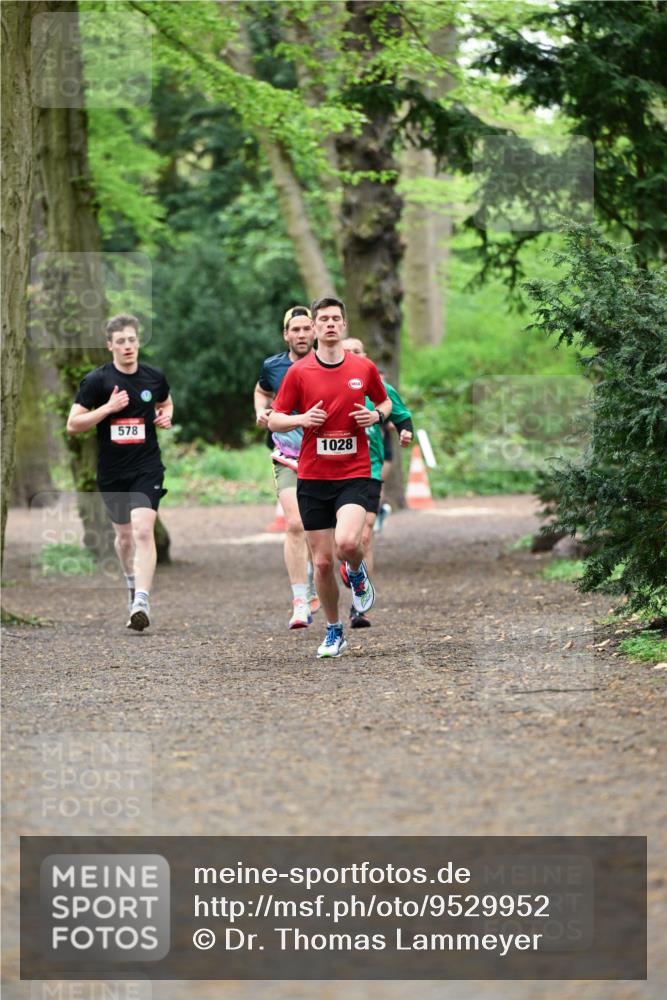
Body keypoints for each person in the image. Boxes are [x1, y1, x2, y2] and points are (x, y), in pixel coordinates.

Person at [268, 297, 392, 658]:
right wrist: (301, 420)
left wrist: (377, 417)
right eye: (323, 320)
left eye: (336, 318)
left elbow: (384, 403)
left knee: (349, 543)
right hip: (313, 476)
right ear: (316, 326)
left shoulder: (363, 367)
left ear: (344, 324)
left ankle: (356, 572)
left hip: (354, 472)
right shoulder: (299, 372)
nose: (330, 325)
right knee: (321, 562)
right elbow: (275, 418)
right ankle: (335, 630)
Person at [66, 314, 173, 631]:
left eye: (132, 340)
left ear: (138, 342)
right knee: (124, 538)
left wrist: (164, 417)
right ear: (110, 345)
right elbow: (73, 425)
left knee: (142, 531)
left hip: (147, 467)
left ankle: (141, 600)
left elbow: (166, 403)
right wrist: (107, 409)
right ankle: (131, 582)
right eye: (121, 341)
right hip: (112, 472)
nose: (128, 346)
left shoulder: (154, 377)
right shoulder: (97, 381)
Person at [340, 338, 413, 627]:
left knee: (366, 534)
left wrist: (405, 433)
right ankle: (349, 566)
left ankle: (360, 605)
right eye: (347, 352)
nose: (352, 356)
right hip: (329, 473)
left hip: (367, 468)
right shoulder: (323, 380)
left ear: (365, 356)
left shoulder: (374, 385)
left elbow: (402, 416)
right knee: (341, 542)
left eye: (357, 351)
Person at [254, 306, 320, 629]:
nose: (302, 335)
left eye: (307, 328)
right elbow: (262, 390)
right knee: (294, 524)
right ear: (286, 334)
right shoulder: (273, 366)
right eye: (296, 329)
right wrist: (261, 412)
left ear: (315, 332)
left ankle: (315, 575)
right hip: (287, 457)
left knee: (322, 531)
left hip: (324, 457)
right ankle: (300, 601)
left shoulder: (327, 364)